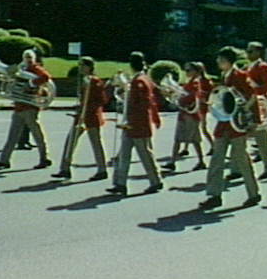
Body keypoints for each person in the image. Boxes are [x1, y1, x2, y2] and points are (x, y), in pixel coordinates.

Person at [199, 46, 261, 209]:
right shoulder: (225, 76)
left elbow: (252, 96)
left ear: (228, 61)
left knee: (242, 159)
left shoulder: (240, 76)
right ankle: (214, 195)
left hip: (236, 125)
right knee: (216, 159)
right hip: (224, 123)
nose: (219, 62)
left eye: (221, 60)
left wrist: (252, 120)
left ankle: (253, 193)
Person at [107, 52, 163, 196]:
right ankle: (120, 183)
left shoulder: (140, 81)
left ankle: (156, 181)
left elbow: (141, 104)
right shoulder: (143, 79)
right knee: (123, 154)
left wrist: (131, 121)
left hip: (137, 124)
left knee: (145, 153)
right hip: (132, 123)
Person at [0, 49, 52, 169]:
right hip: (19, 106)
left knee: (37, 135)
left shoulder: (36, 69)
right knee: (12, 136)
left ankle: (45, 158)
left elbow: (46, 77)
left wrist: (31, 84)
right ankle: (4, 160)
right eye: (26, 57)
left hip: (30, 107)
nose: (28, 59)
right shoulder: (21, 68)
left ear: (34, 58)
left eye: (30, 57)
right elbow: (13, 82)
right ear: (23, 58)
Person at [52, 56, 109, 180]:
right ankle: (65, 168)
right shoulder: (84, 80)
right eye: (80, 66)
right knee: (70, 141)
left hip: (91, 117)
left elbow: (102, 100)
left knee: (96, 143)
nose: (81, 68)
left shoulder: (95, 81)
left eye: (83, 66)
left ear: (89, 67)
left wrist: (87, 110)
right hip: (81, 117)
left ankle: (102, 170)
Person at [162, 63, 206, 172]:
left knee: (184, 139)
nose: (186, 72)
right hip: (187, 114)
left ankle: (174, 162)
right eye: (186, 70)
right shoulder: (191, 82)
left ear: (195, 71)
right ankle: (199, 161)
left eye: (189, 70)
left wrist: (179, 96)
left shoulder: (195, 82)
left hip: (189, 115)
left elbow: (191, 96)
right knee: (189, 139)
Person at [243, 41, 267, 179]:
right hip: (246, 105)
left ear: (258, 52)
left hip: (258, 105)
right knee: (239, 137)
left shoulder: (263, 67)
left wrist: (254, 89)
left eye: (251, 51)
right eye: (247, 51)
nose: (248, 54)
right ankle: (237, 168)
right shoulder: (246, 67)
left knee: (261, 138)